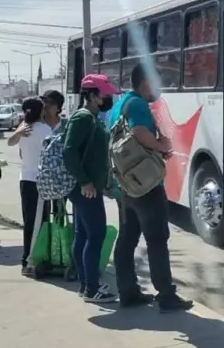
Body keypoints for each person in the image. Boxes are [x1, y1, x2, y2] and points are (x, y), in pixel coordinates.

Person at [110, 63, 193, 312]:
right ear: (145, 81)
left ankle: (128, 292)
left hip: (125, 184)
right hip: (146, 185)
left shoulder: (119, 105)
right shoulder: (137, 104)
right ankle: (166, 295)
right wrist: (161, 147)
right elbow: (139, 131)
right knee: (157, 239)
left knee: (127, 238)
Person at [63, 74, 118, 303]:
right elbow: (69, 151)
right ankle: (91, 288)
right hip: (85, 188)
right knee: (95, 235)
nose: (108, 98)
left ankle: (86, 285)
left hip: (88, 186)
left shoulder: (92, 117)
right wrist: (85, 181)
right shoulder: (83, 118)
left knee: (84, 234)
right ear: (93, 95)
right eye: (104, 94)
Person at [11, 97, 53, 276]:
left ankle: (31, 259)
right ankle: (29, 261)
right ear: (41, 111)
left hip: (25, 179)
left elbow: (15, 146)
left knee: (30, 221)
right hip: (40, 180)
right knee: (38, 222)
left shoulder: (22, 128)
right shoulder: (44, 129)